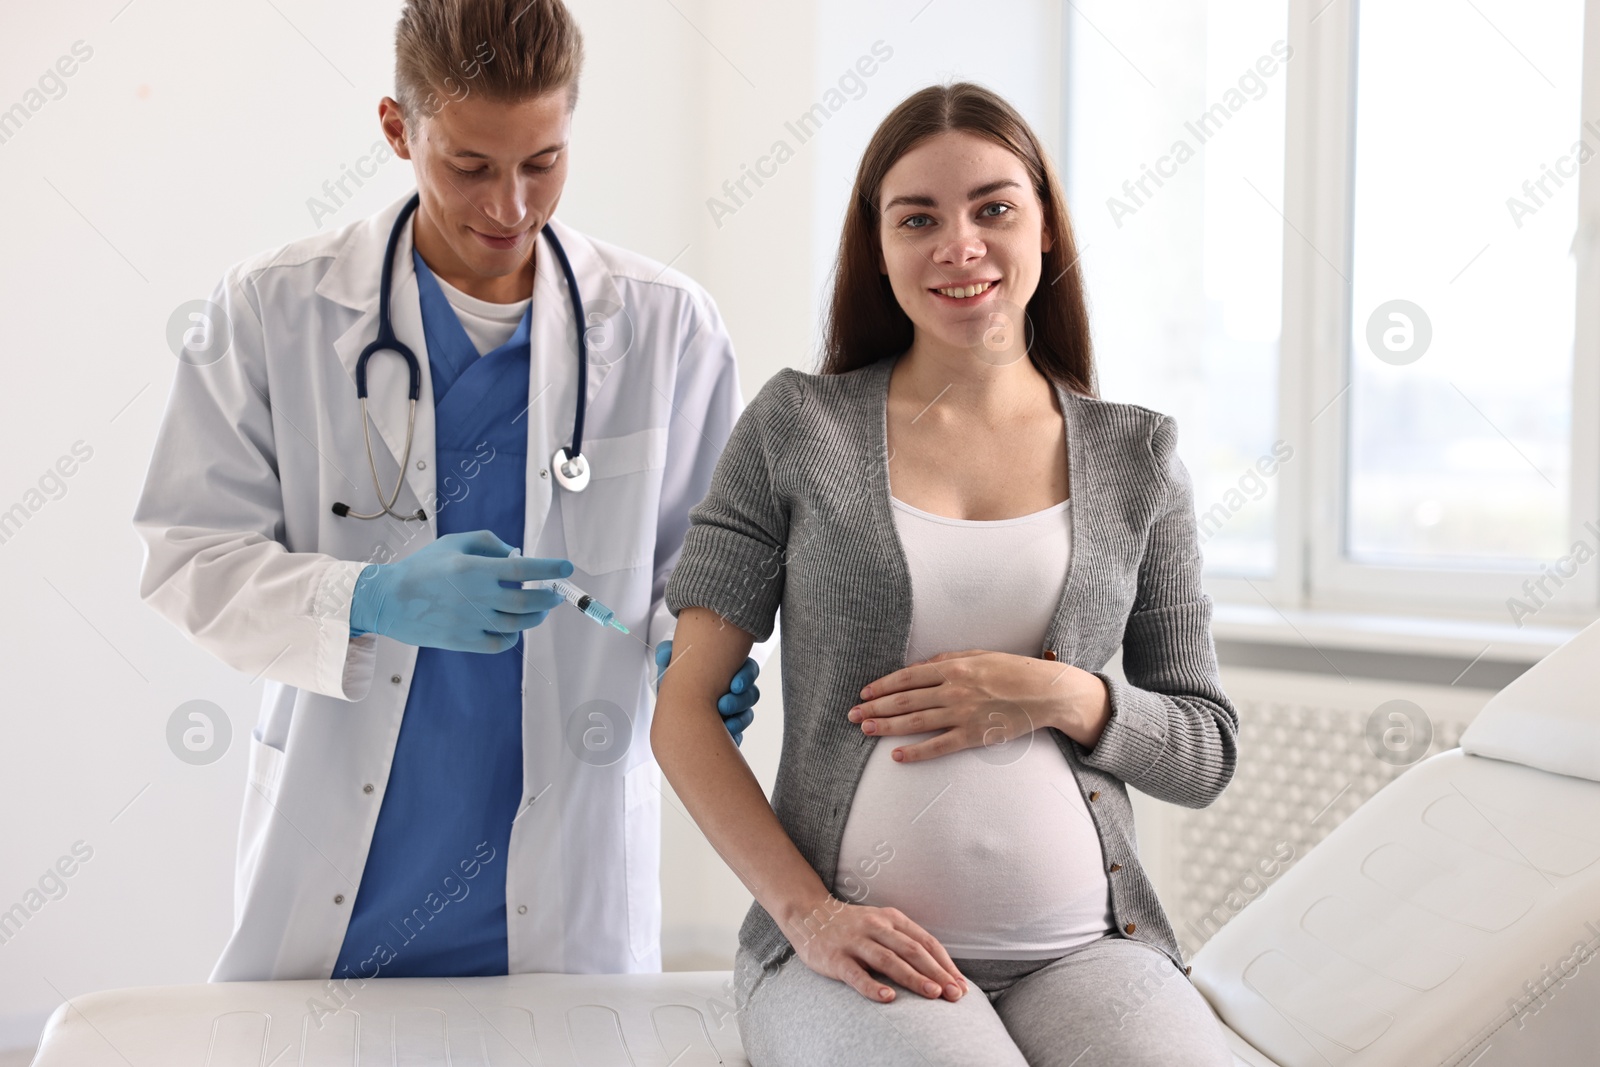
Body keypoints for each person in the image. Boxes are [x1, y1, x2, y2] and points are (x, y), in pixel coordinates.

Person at [132, 0, 769, 982]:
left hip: (566, 884)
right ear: (397, 129)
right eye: (469, 166)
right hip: (343, 883)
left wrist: (690, 647)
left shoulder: (665, 326)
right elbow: (187, 558)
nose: (508, 207)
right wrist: (367, 597)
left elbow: (698, 557)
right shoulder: (274, 310)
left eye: (541, 163)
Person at [652, 83, 1239, 1065]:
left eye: (992, 208)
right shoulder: (797, 426)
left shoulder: (1137, 454)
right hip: (854, 952)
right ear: (877, 244)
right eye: (916, 216)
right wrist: (806, 916)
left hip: (1087, 949)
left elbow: (1202, 747)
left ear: (1045, 226)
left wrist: (1064, 694)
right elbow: (683, 709)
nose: (956, 244)